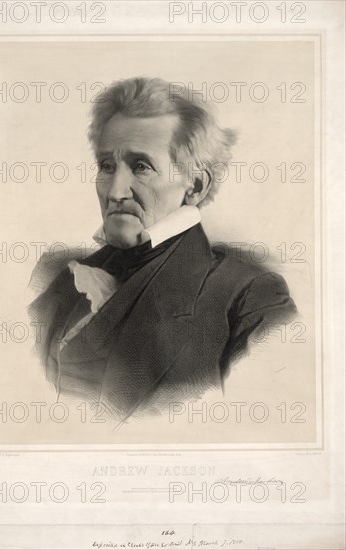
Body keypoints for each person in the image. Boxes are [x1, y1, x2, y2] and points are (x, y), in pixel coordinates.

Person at [29, 76, 296, 420]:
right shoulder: (61, 278)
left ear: (196, 185)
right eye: (107, 166)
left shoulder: (251, 296)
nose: (115, 191)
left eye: (141, 166)